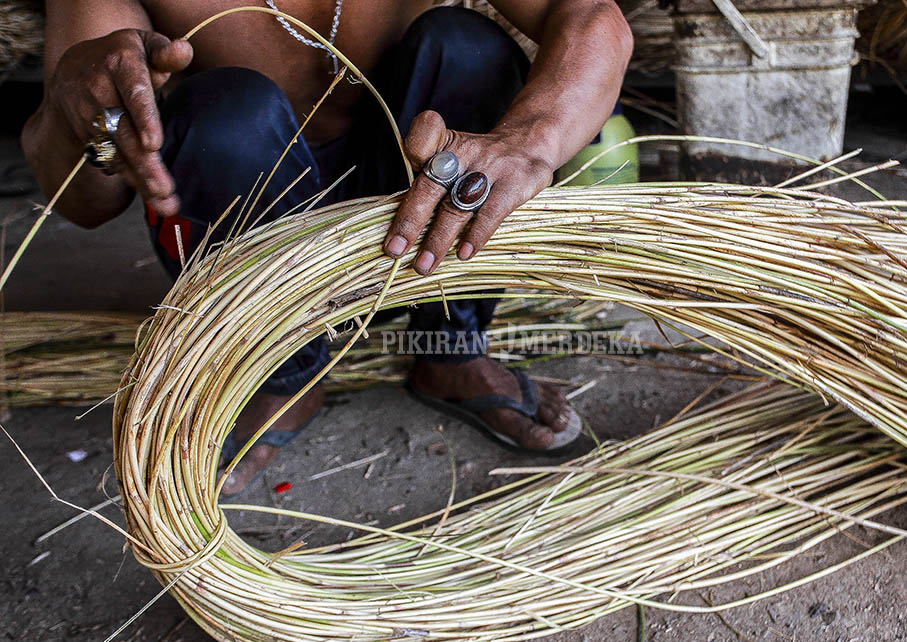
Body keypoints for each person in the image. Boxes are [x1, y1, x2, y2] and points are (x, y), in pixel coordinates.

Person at [21, 1, 633, 494]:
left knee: (465, 46)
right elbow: (84, 206)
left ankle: (451, 345)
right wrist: (79, 114)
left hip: (405, 202)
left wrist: (534, 138)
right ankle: (283, 376)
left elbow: (589, 17)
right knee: (229, 110)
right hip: (249, 221)